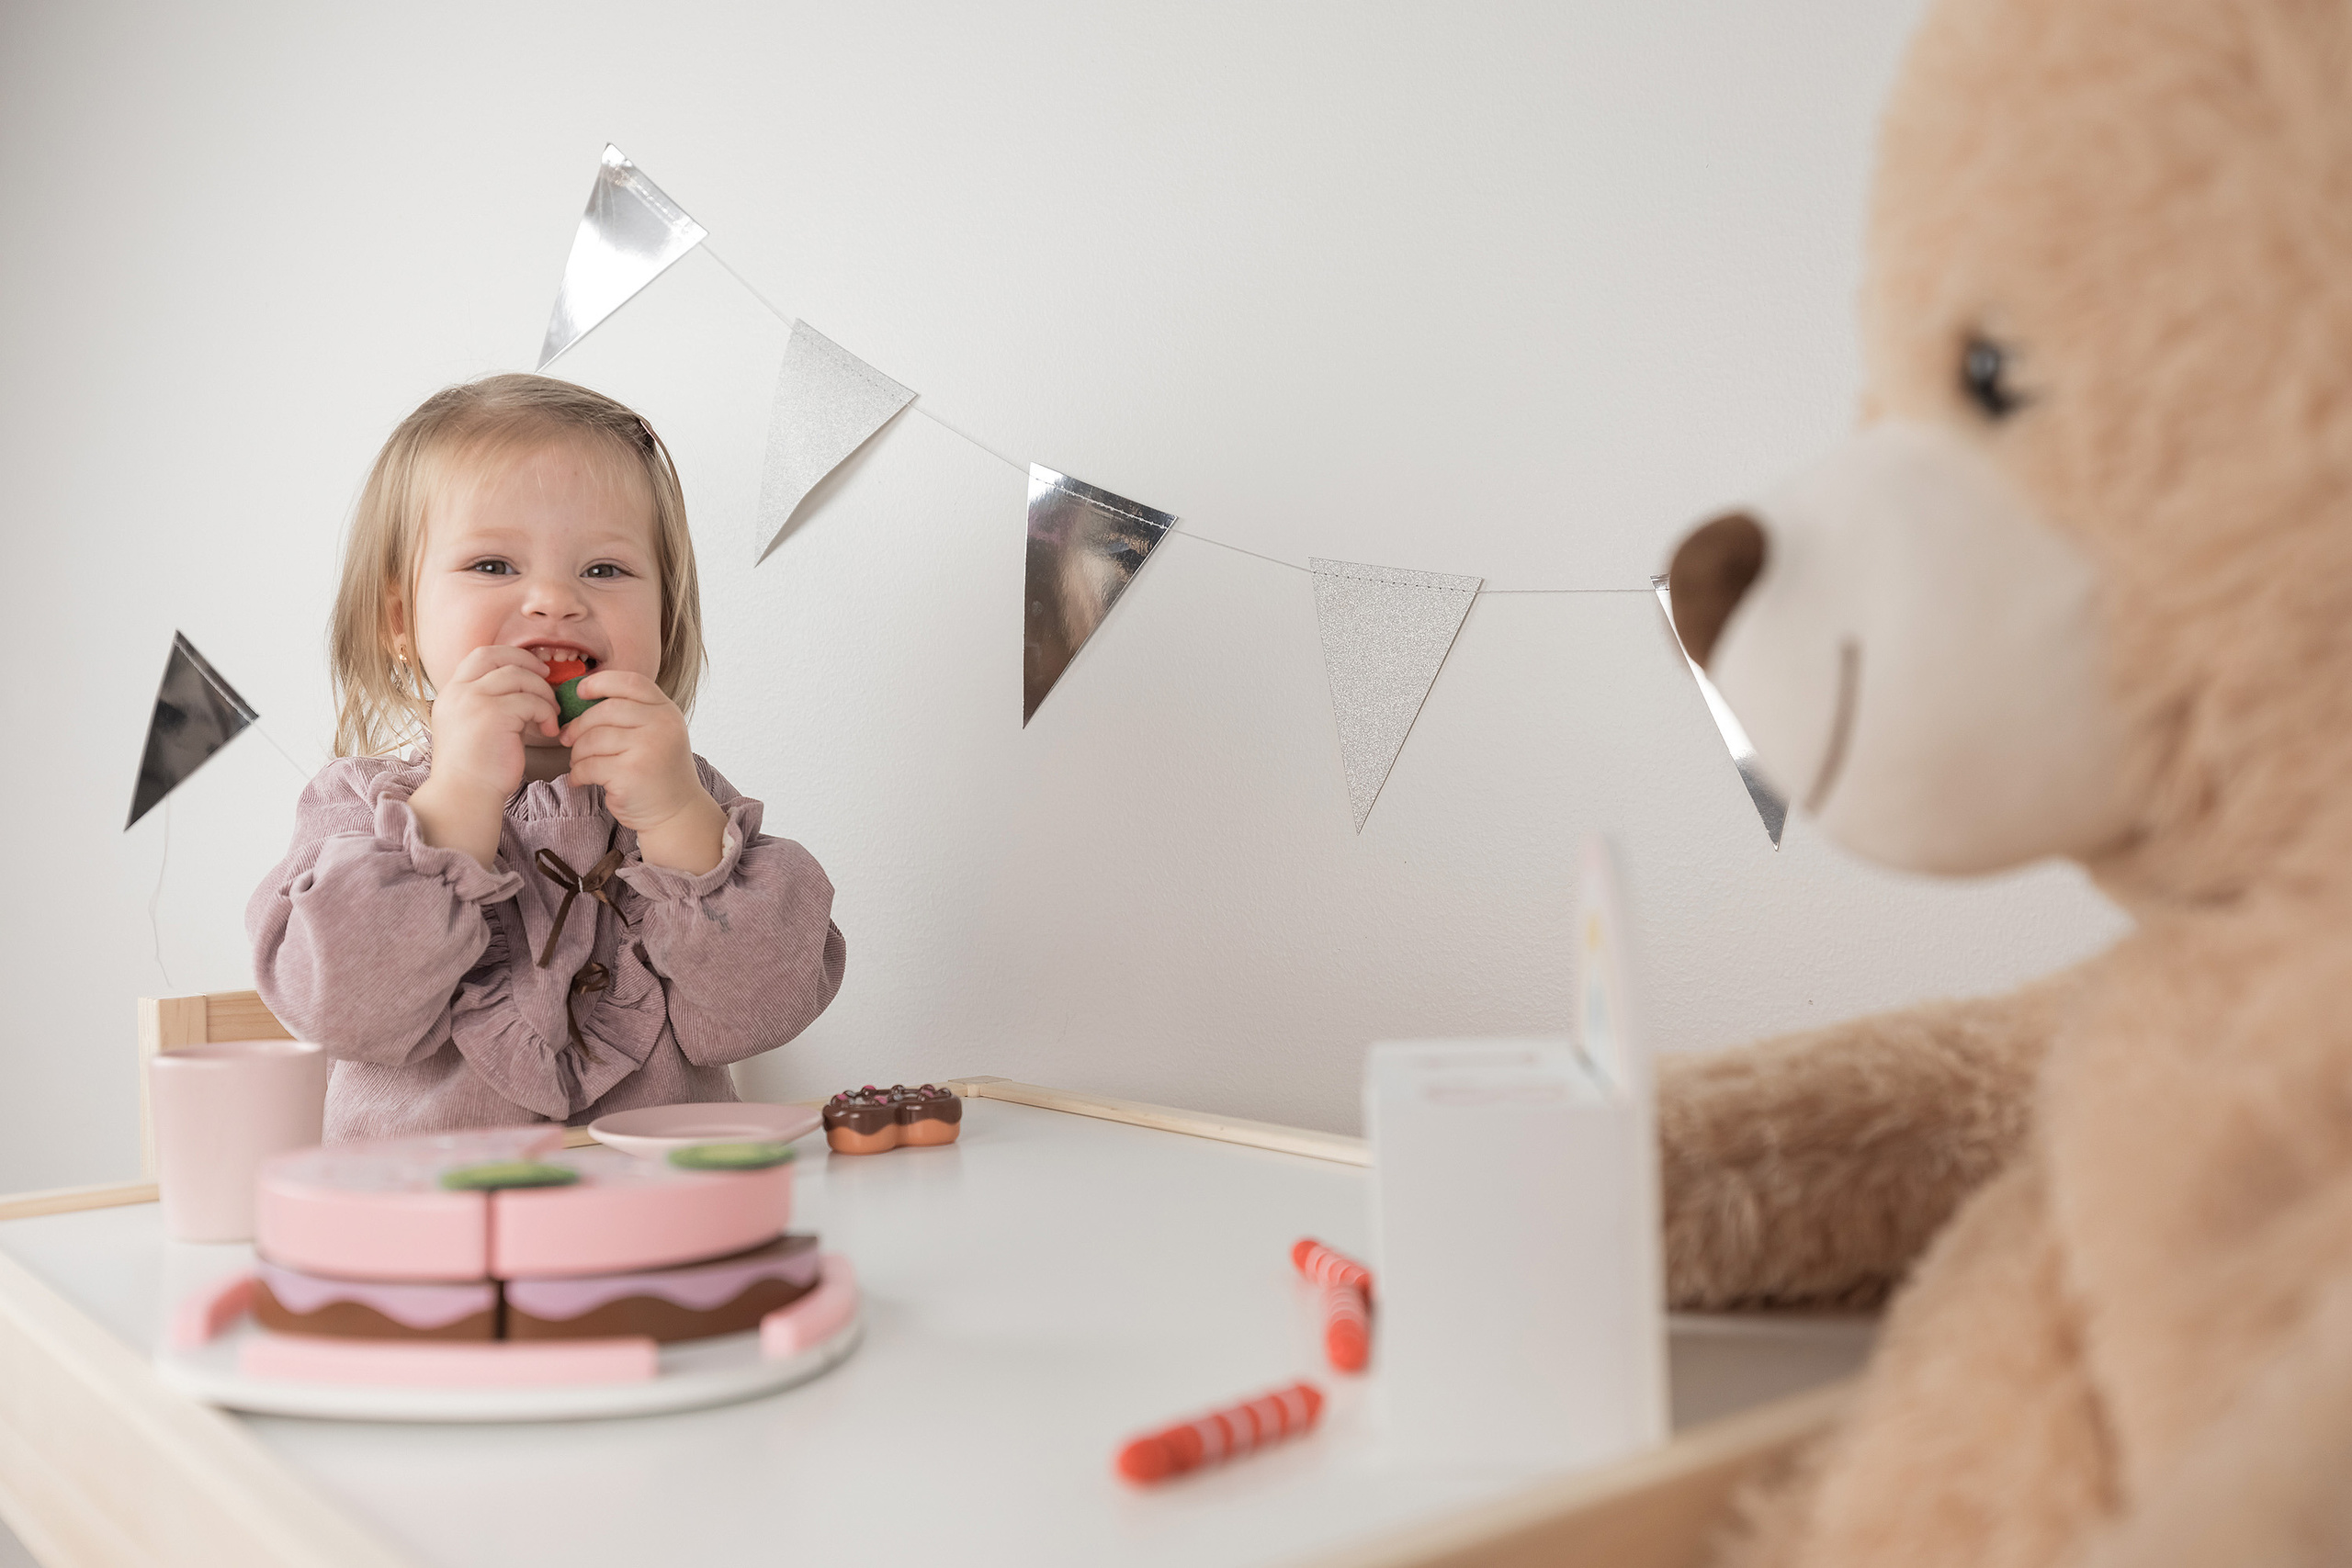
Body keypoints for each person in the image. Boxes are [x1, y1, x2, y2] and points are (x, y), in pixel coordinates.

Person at [249, 374, 846, 1140]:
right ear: (401, 621)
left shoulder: (684, 799)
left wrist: (675, 819)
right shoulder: (359, 806)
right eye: (494, 565)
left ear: (666, 618)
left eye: (605, 569)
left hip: (657, 1219)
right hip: (428, 1229)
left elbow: (766, 1008)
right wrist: (456, 799)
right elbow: (343, 1011)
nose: (555, 600)